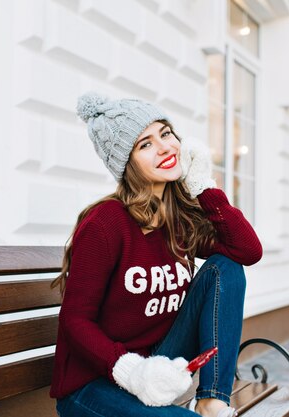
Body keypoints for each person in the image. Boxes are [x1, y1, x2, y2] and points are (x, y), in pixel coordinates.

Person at [50, 92, 262, 417]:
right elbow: (75, 320)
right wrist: (132, 371)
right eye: (145, 144)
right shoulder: (106, 223)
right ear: (127, 164)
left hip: (157, 363)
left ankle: (212, 401)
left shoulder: (177, 218)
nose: (164, 147)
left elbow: (246, 251)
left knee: (226, 268)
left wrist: (204, 187)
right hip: (96, 383)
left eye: (165, 133)